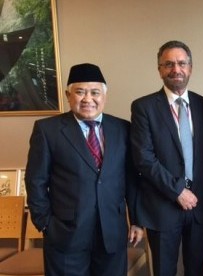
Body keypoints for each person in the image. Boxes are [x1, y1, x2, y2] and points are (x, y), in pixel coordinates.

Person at [25, 63, 143, 276]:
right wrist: (45, 223)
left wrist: (136, 220)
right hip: (65, 235)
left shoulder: (122, 128)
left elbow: (131, 179)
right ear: (68, 95)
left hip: (112, 233)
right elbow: (36, 181)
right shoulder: (47, 130)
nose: (88, 99)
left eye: (95, 92)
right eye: (80, 92)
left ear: (104, 96)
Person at [131, 40, 203, 276]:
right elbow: (143, 158)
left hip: (198, 206)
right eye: (169, 64)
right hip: (162, 206)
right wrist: (177, 191)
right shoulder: (143, 107)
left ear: (190, 68)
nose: (176, 69)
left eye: (181, 63)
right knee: (164, 270)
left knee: (198, 269)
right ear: (159, 70)